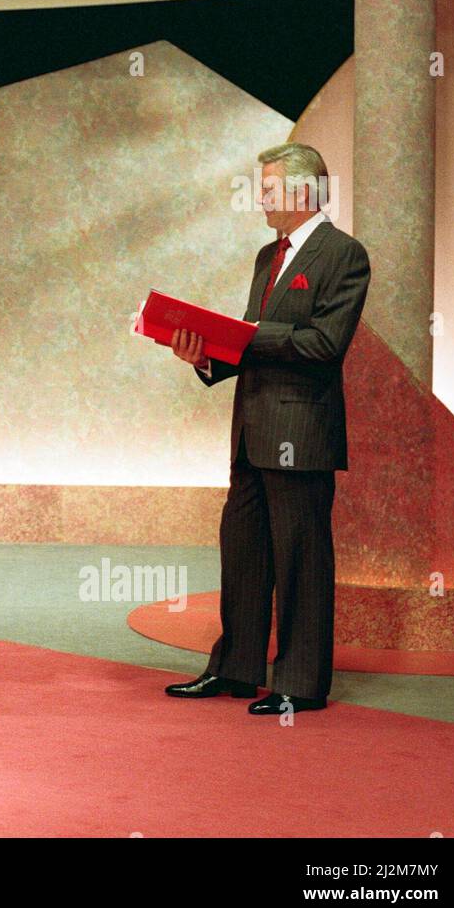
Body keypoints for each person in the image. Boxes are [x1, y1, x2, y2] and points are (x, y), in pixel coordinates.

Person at [164, 141, 370, 715]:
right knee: (244, 553)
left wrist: (251, 333)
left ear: (304, 191)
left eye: (269, 188)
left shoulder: (344, 255)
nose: (260, 198)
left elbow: (326, 345)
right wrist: (204, 354)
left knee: (301, 560)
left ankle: (301, 683)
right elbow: (253, 345)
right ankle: (234, 670)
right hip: (251, 431)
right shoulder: (267, 256)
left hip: (301, 434)